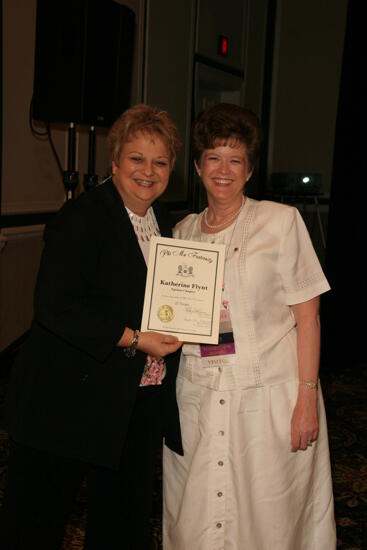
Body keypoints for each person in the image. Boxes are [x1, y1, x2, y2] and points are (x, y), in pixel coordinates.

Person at [0, 104, 183, 550]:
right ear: (115, 160)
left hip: (131, 402)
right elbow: (55, 307)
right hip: (65, 402)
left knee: (120, 527)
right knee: (34, 527)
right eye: (136, 158)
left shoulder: (164, 225)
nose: (148, 171)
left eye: (160, 162)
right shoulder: (83, 217)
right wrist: (135, 339)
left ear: (172, 169)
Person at [163, 102, 336, 549]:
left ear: (249, 170)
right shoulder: (182, 234)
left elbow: (308, 318)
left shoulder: (280, 223)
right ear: (199, 166)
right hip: (198, 393)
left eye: (235, 159)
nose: (224, 169)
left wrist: (307, 399)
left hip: (269, 397)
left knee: (268, 516)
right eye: (214, 157)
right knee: (198, 516)